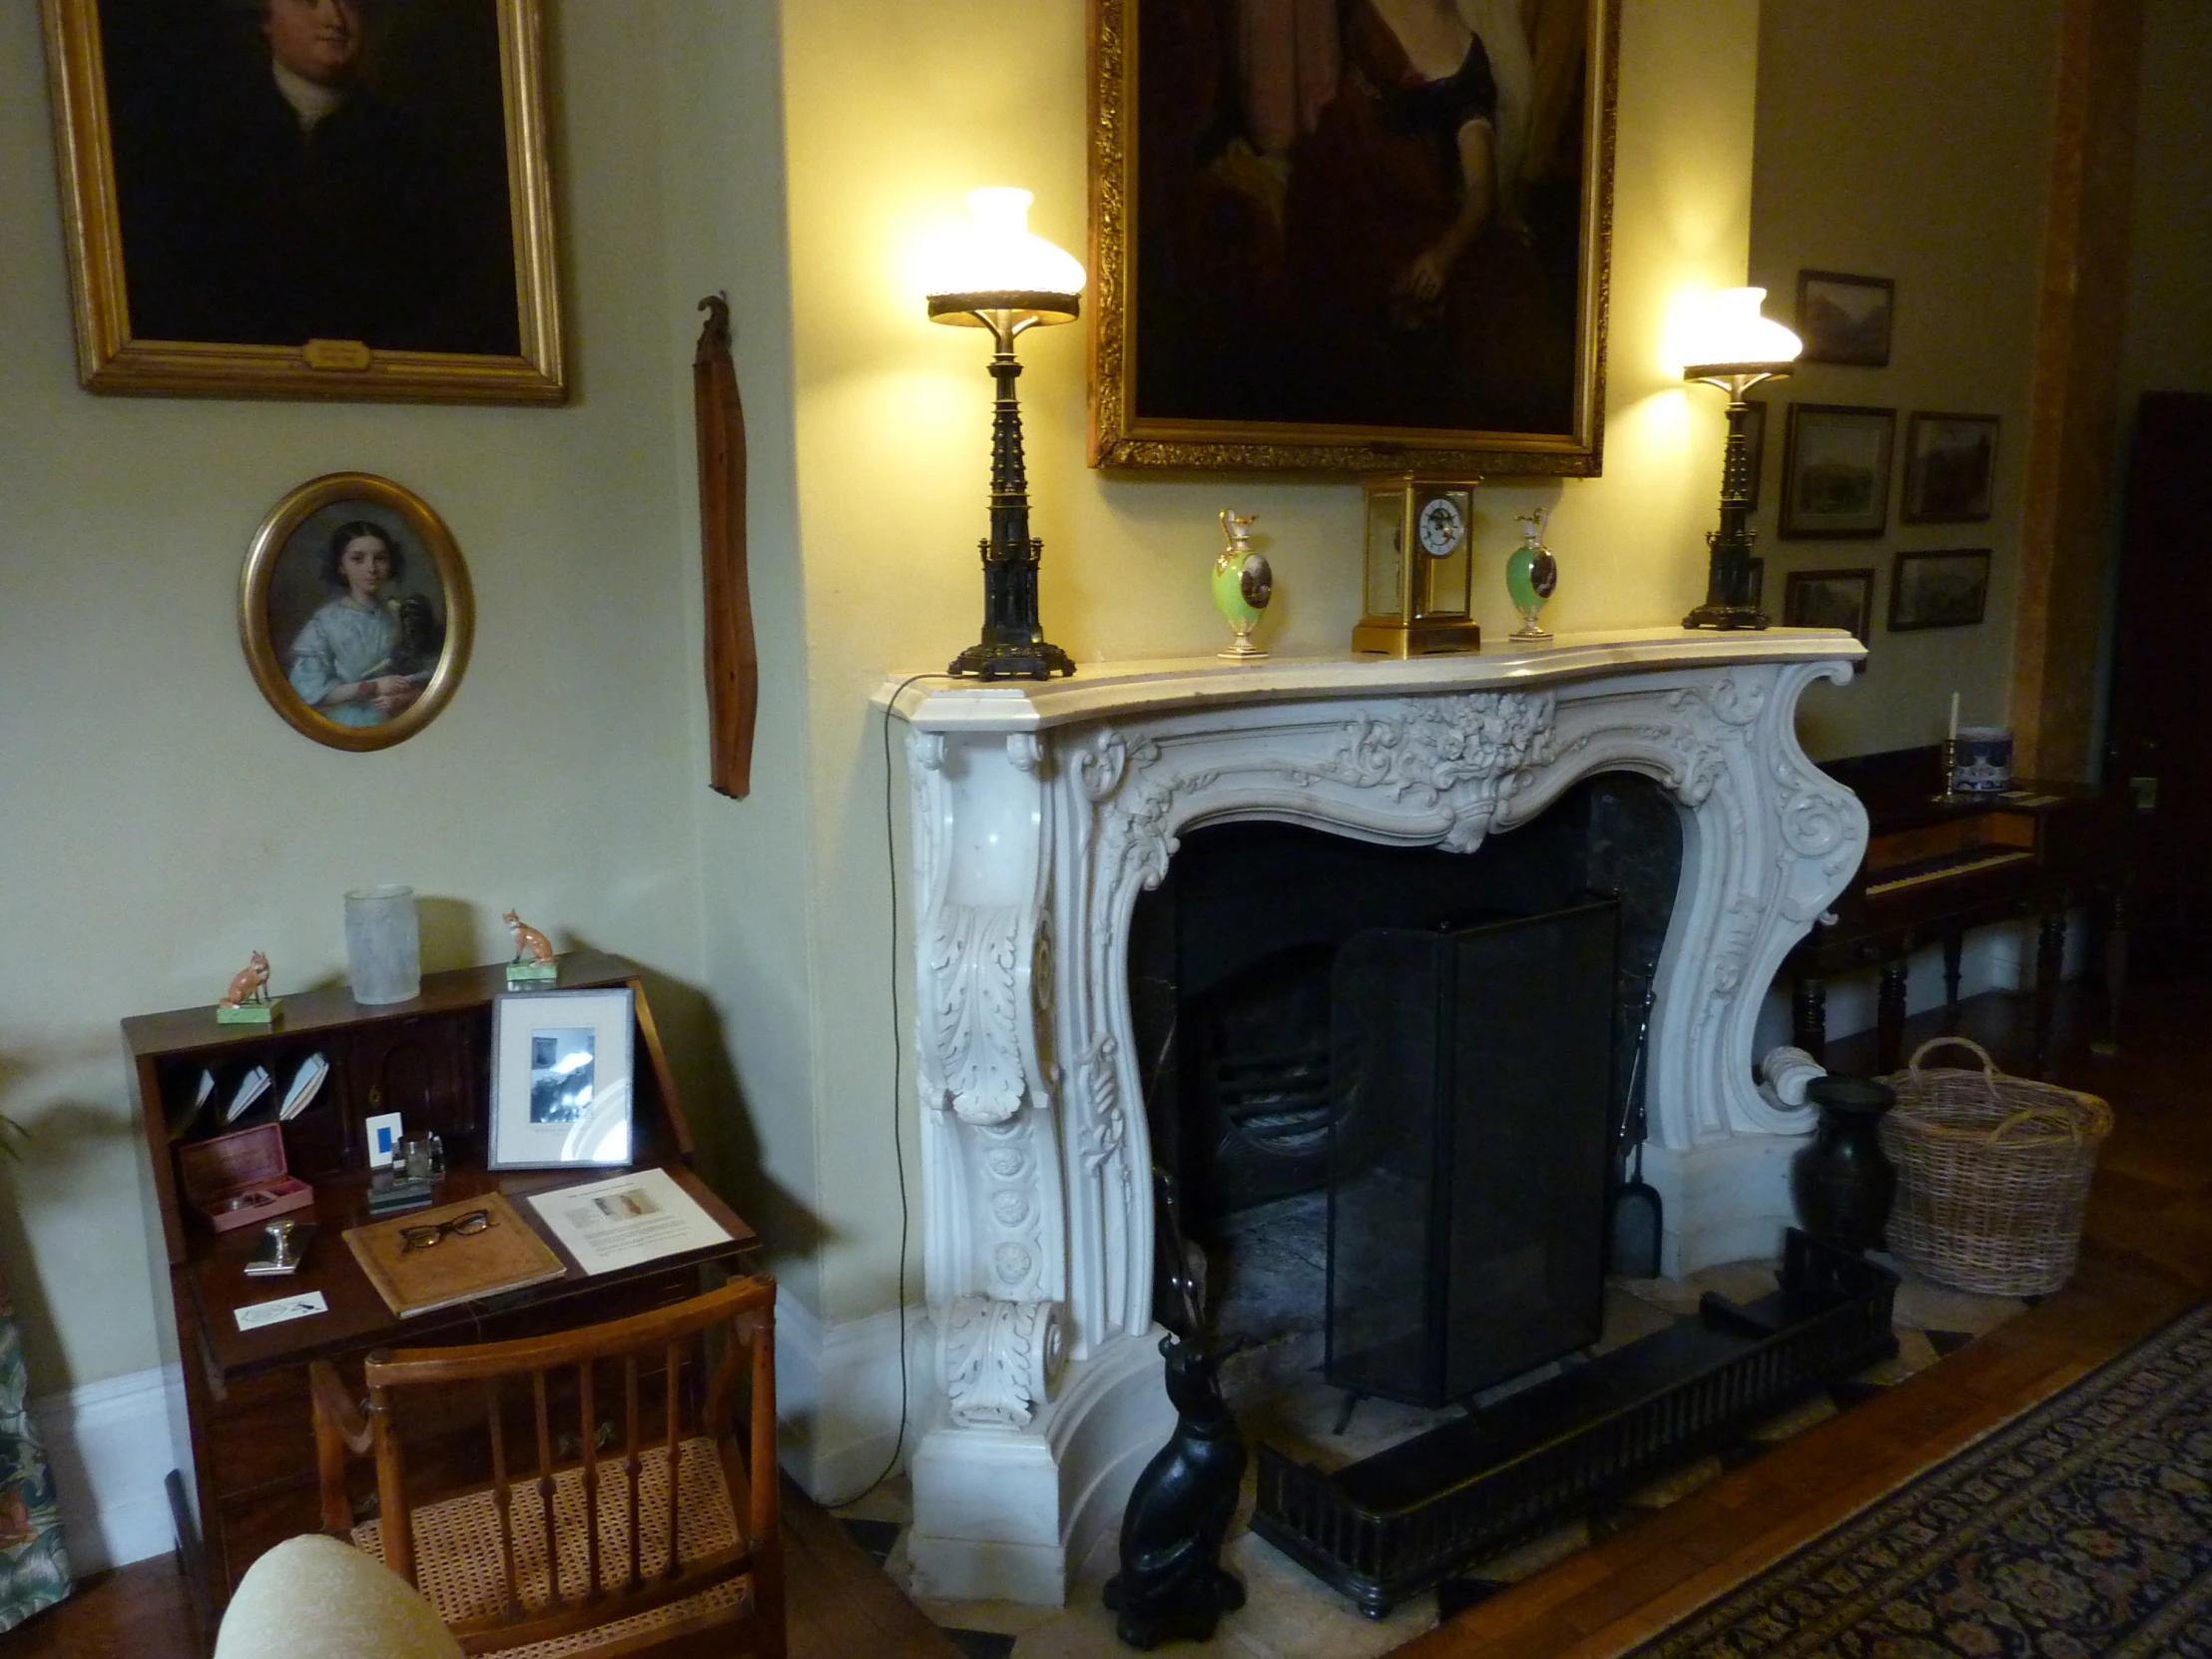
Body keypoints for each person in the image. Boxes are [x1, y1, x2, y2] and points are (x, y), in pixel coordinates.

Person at [104, 0, 518, 354]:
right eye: (309, 1)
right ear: (266, 17)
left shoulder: (413, 157)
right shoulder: (201, 142)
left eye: (349, 2)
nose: (334, 19)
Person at [285, 523, 440, 727]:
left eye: (380, 558)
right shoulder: (324, 623)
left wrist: (402, 698)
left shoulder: (400, 614)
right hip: (346, 725)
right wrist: (374, 687)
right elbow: (309, 694)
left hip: (400, 721)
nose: (372, 568)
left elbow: (429, 677)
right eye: (358, 559)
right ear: (341, 566)